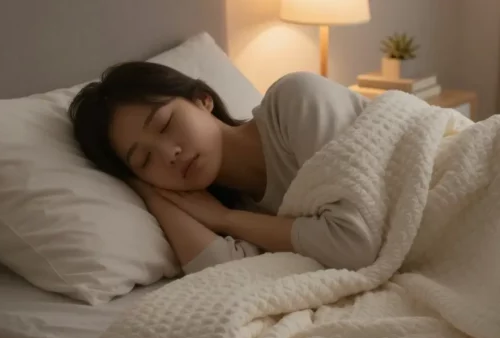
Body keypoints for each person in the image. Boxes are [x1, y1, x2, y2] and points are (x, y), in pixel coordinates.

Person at [68, 62, 378, 274]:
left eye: (165, 124)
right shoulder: (234, 206)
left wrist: (226, 220)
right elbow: (224, 275)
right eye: (144, 160)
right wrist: (150, 194)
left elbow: (355, 244)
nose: (169, 154)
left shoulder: (296, 100)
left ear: (202, 100)